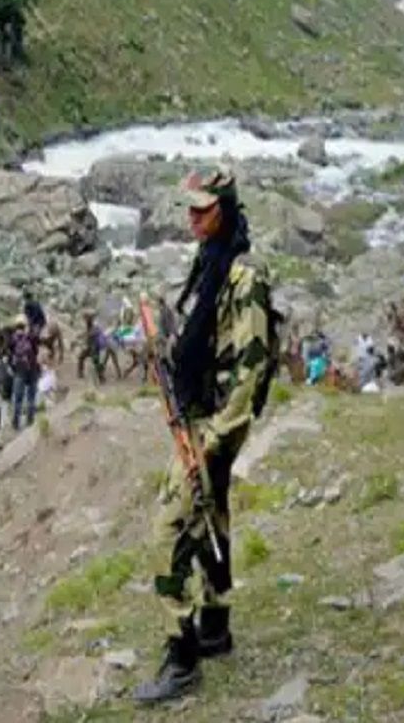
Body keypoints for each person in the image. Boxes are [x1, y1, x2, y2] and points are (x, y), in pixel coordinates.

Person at [135, 168, 277, 703]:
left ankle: (182, 656)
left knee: (169, 529)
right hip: (197, 414)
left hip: (216, 423)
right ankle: (216, 625)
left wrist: (215, 438)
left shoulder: (243, 275)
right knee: (212, 509)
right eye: (189, 210)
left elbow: (251, 368)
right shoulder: (209, 261)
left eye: (204, 209)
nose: (193, 218)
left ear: (227, 208)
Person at [10, 315, 40, 430]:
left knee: (18, 398)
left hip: (19, 371)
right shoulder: (31, 338)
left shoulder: (13, 338)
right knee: (31, 398)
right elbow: (36, 351)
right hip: (32, 370)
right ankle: (30, 422)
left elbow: (10, 352)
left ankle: (15, 423)